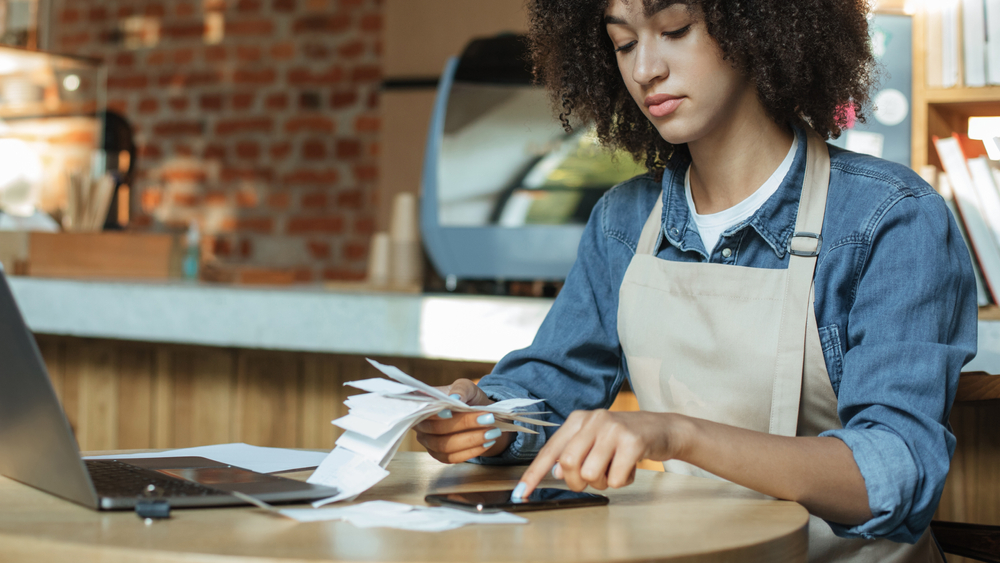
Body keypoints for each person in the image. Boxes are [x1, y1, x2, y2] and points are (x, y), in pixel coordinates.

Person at [414, 0, 978, 560]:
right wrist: (488, 417)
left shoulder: (890, 217)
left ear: (759, 25)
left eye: (675, 30)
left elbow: (896, 470)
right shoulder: (623, 222)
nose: (644, 70)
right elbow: (550, 388)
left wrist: (676, 434)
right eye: (624, 43)